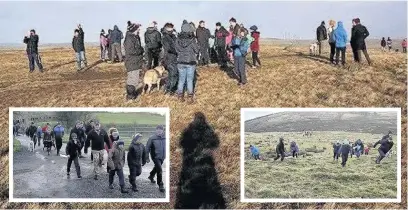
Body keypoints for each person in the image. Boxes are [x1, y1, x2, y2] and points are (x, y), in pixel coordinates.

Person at [175, 20, 199, 103]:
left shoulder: (178, 39)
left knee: (181, 79)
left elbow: (177, 50)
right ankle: (190, 97)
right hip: (190, 62)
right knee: (189, 80)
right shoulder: (192, 40)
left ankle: (180, 96)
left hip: (180, 62)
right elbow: (196, 50)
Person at [124, 23, 144, 100]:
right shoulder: (129, 39)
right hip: (132, 62)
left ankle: (132, 94)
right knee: (132, 80)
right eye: (138, 29)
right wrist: (141, 50)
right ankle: (130, 97)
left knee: (134, 80)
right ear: (134, 30)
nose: (139, 30)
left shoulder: (134, 37)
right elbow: (131, 51)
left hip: (135, 61)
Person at [146, 125, 166, 193]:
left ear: (163, 130)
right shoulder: (152, 138)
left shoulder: (165, 137)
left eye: (161, 129)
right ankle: (160, 184)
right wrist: (147, 157)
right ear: (156, 130)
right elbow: (147, 148)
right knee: (159, 170)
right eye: (158, 129)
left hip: (163, 156)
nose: (159, 130)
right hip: (155, 157)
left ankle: (151, 176)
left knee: (157, 168)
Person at [162, 22, 178, 96]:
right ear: (167, 28)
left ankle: (168, 89)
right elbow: (168, 48)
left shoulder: (173, 36)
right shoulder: (165, 38)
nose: (172, 29)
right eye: (171, 28)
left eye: (172, 28)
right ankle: (170, 90)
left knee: (172, 74)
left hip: (174, 58)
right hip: (169, 58)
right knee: (173, 74)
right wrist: (177, 51)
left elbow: (177, 43)